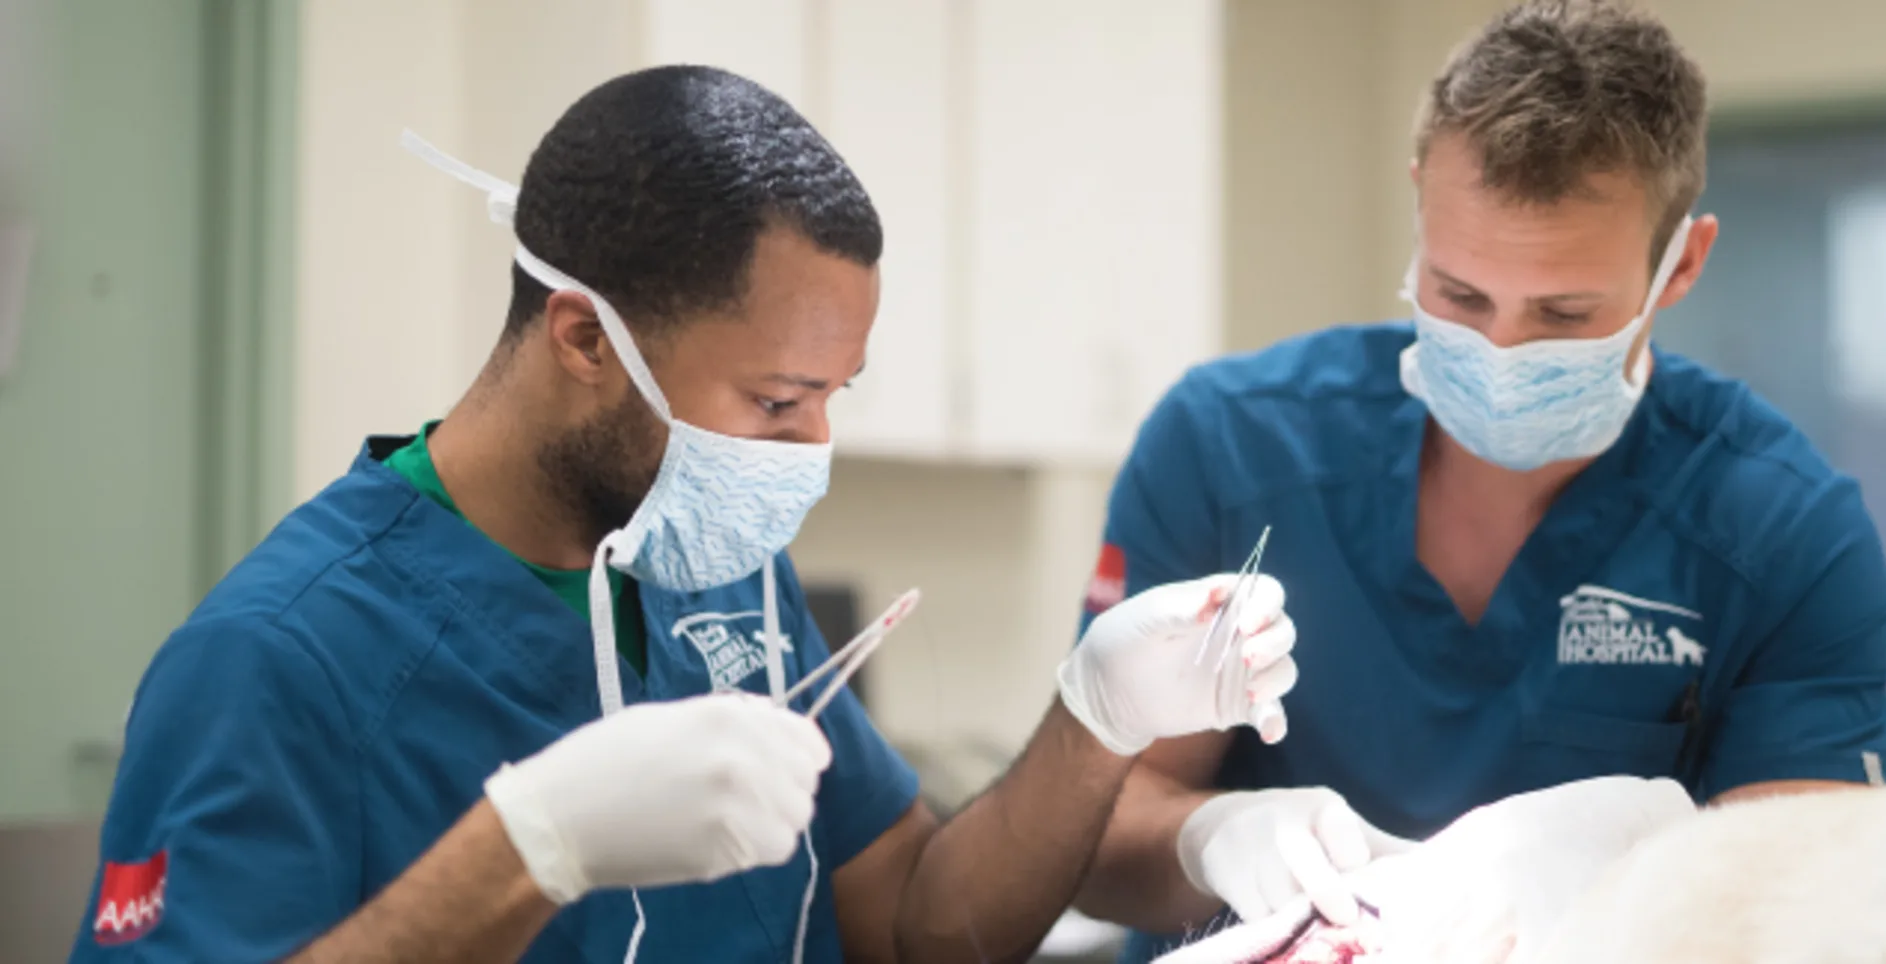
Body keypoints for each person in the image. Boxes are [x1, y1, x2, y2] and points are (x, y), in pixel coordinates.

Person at [71, 66, 1301, 964]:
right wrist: (530, 847)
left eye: (831, 397)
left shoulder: (713, 564)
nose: (811, 447)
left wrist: (1096, 719)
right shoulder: (276, 658)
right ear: (585, 339)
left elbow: (920, 925)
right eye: (775, 398)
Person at [1071, 2, 1886, 960]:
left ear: (1681, 267)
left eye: (1562, 312)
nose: (1499, 351)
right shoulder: (1229, 447)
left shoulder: (1790, 534)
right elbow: (1090, 843)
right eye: (1460, 295)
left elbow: (1800, 913)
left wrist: (1624, 879)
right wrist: (1208, 840)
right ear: (1421, 202)